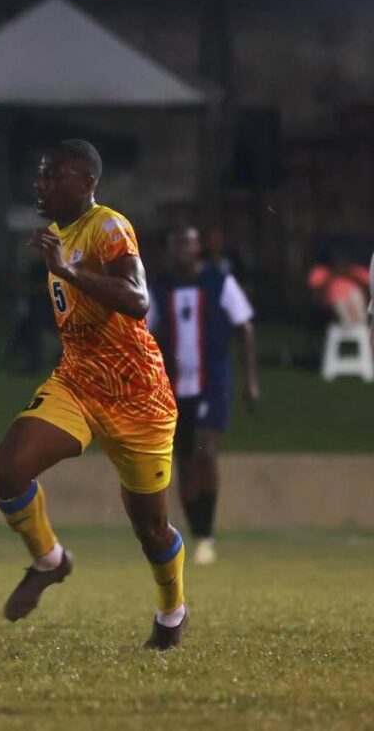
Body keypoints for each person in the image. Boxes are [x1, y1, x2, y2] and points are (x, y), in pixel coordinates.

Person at [0, 139, 186, 650]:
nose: (40, 183)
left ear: (87, 183)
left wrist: (70, 270)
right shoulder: (57, 235)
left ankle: (172, 612)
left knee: (151, 529)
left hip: (139, 397)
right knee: (8, 471)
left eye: (52, 175)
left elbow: (138, 301)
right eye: (39, 174)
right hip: (78, 382)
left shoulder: (108, 226)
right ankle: (49, 560)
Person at [148, 225, 259, 566]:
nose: (184, 249)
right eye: (178, 242)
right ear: (171, 250)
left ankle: (207, 533)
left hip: (213, 383)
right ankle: (196, 533)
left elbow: (244, 327)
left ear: (199, 249)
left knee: (207, 451)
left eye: (190, 242)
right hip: (173, 386)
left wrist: (251, 380)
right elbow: (146, 334)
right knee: (183, 459)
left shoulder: (219, 283)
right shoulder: (160, 288)